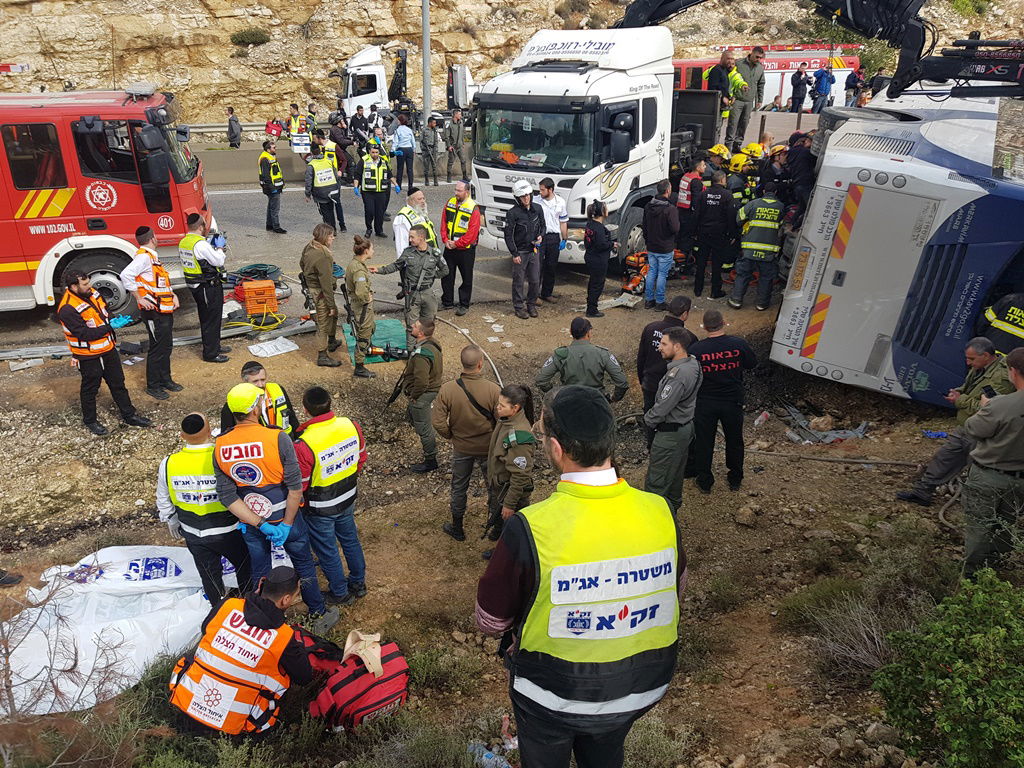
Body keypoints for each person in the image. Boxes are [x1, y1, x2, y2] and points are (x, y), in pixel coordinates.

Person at [475, 385, 683, 768]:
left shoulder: (530, 526)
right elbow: (673, 590)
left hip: (552, 694)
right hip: (639, 688)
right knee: (605, 751)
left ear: (556, 448)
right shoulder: (661, 511)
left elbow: (491, 621)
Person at [215, 383, 337, 632]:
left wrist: (260, 524)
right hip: (286, 517)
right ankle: (318, 612)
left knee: (260, 569)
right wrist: (287, 524)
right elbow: (295, 488)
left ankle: (262, 620)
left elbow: (227, 496)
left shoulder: (221, 445)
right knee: (303, 563)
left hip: (252, 521)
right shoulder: (277, 437)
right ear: (255, 408)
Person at [168, 566, 315, 736]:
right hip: (235, 724)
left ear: (262, 585)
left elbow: (205, 629)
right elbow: (304, 677)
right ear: (285, 600)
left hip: (187, 701)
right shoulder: (283, 637)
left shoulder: (228, 605)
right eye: (296, 595)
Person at [897, 337, 1014, 506]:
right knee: (944, 457)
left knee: (977, 471)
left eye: (971, 359)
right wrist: (957, 392)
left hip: (982, 433)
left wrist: (960, 400)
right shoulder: (980, 368)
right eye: (967, 358)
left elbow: (989, 409)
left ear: (986, 356)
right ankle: (922, 492)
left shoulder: (1001, 378)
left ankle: (979, 508)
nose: (968, 363)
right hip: (965, 426)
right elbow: (969, 387)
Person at [157, 412, 252, 603]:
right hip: (230, 531)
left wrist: (171, 520)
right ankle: (247, 603)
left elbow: (163, 498)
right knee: (244, 567)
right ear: (210, 432)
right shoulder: (223, 457)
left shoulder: (168, 463)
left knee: (209, 576)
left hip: (193, 533)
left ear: (182, 436)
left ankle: (218, 609)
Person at [294, 386, 368, 606]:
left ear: (306, 410)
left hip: (320, 507)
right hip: (347, 496)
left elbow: (301, 484)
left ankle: (340, 592)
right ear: (329, 404)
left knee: (327, 550)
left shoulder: (303, 443)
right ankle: (358, 583)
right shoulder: (350, 425)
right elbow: (361, 457)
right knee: (350, 540)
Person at [57, 270, 151, 435]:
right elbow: (84, 334)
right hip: (89, 356)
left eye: (88, 282)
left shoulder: (92, 292)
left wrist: (114, 319)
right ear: (73, 286)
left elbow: (104, 310)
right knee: (90, 389)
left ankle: (129, 415)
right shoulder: (67, 308)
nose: (89, 286)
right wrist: (110, 327)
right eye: (85, 284)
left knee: (118, 384)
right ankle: (90, 421)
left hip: (108, 349)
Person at [960, 347, 1024, 577]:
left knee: (979, 529)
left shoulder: (1001, 404)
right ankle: (995, 575)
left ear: (1013, 371)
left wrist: (986, 408)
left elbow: (973, 429)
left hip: (989, 476)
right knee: (1005, 527)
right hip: (1020, 481)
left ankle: (971, 580)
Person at [433, 344, 502, 542]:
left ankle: (457, 527)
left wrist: (451, 436)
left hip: (462, 447)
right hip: (488, 447)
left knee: (459, 487)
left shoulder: (448, 389)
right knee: (494, 486)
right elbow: (502, 422)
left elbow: (437, 422)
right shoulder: (494, 390)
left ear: (462, 363)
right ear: (480, 364)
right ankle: (496, 528)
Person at [688, 310, 757, 493]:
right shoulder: (738, 344)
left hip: (705, 403)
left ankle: (705, 482)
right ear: (724, 322)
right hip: (732, 401)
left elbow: (691, 375)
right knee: (734, 440)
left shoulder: (696, 350)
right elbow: (751, 363)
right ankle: (735, 479)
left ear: (704, 327)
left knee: (704, 442)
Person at [644, 327, 702, 514]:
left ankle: (655, 520)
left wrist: (647, 420)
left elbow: (662, 408)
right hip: (684, 428)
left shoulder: (677, 375)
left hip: (669, 434)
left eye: (664, 344)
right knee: (675, 474)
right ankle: (672, 512)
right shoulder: (693, 364)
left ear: (677, 347)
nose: (659, 347)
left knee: (657, 481)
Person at [120, 226, 179, 400]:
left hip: (164, 310)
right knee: (157, 348)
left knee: (166, 346)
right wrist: (139, 298)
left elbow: (159, 283)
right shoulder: (144, 257)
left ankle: (166, 380)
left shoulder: (152, 258)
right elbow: (125, 275)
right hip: (153, 313)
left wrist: (173, 295)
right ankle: (153, 386)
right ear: (153, 238)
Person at [482, 384, 536, 558]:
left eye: (502, 405)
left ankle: (503, 553)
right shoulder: (506, 419)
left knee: (512, 529)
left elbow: (521, 475)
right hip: (500, 487)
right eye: (498, 403)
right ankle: (498, 529)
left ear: (515, 408)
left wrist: (509, 505)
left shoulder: (518, 437)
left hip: (510, 493)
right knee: (499, 516)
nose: (497, 408)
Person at [372, 224, 448, 345]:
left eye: (412, 237)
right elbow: (396, 265)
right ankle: (411, 351)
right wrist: (380, 270)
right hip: (412, 295)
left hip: (428, 293)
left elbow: (445, 270)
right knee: (411, 326)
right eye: (409, 237)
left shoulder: (435, 253)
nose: (410, 239)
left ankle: (425, 348)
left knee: (428, 325)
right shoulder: (408, 252)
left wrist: (432, 275)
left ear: (421, 237)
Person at [637, 296, 697, 443]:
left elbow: (641, 357)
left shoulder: (650, 328)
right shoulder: (689, 338)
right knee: (671, 421)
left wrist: (642, 380)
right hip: (674, 388)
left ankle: (651, 446)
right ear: (685, 314)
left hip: (650, 383)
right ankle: (668, 447)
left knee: (650, 416)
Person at [536, 316, 629, 401]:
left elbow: (541, 380)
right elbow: (622, 382)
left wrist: (555, 394)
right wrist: (613, 398)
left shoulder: (561, 354)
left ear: (571, 332)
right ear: (588, 333)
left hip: (568, 402)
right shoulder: (602, 354)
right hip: (596, 402)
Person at [179, 213, 229, 364]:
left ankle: (215, 346)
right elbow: (218, 261)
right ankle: (211, 354)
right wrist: (219, 248)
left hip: (197, 286)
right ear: (201, 227)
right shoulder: (200, 245)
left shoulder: (184, 242)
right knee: (211, 319)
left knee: (209, 317)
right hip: (208, 286)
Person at [729, 181, 786, 311]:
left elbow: (739, 218)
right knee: (766, 277)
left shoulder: (753, 203)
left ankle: (736, 300)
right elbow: (781, 225)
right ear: (775, 192)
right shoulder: (781, 207)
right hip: (768, 251)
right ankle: (762, 304)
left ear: (764, 191)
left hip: (750, 248)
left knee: (743, 274)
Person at [400, 318, 444, 473]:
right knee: (416, 416)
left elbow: (422, 382)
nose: (412, 325)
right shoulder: (432, 344)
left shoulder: (421, 354)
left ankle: (431, 460)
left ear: (421, 333)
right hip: (430, 389)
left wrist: (414, 396)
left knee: (424, 429)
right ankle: (413, 420)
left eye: (416, 326)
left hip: (423, 394)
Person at [300, 223, 342, 368]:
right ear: (324, 237)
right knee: (323, 323)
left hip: (312, 289)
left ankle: (332, 341)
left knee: (334, 316)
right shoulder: (324, 255)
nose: (333, 238)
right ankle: (322, 356)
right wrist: (331, 305)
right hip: (320, 293)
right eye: (331, 236)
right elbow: (326, 284)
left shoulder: (310, 246)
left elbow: (301, 263)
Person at [220, 361, 298, 437]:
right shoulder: (235, 403)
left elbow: (292, 417)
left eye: (263, 380)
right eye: (255, 381)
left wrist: (299, 438)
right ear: (245, 383)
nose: (260, 385)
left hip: (285, 439)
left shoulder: (278, 390)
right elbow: (226, 435)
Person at [504, 179, 545, 320]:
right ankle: (519, 307)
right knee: (518, 281)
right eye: (522, 196)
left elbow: (543, 226)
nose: (526, 198)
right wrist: (514, 253)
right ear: (517, 198)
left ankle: (531, 304)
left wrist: (541, 236)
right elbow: (508, 235)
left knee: (535, 280)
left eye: (528, 195)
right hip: (520, 252)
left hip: (534, 250)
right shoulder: (512, 213)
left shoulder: (538, 209)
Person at [441, 180, 482, 316]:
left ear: (467, 192)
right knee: (446, 275)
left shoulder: (473, 208)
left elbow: (472, 233)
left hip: (466, 250)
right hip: (449, 247)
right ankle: (447, 302)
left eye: (459, 191)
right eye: (455, 190)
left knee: (466, 278)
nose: (456, 193)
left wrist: (457, 244)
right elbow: (444, 223)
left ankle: (464, 304)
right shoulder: (450, 202)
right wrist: (445, 240)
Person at [694, 171, 733, 299]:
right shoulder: (727, 195)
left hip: (703, 232)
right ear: (722, 180)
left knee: (701, 261)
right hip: (719, 234)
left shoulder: (703, 194)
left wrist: (694, 232)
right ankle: (715, 291)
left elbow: (696, 214)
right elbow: (730, 216)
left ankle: (698, 289)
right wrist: (732, 234)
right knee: (717, 263)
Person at [642, 179, 679, 311]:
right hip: (665, 247)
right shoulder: (670, 209)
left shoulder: (648, 206)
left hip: (652, 246)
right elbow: (675, 228)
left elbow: (644, 226)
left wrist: (648, 240)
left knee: (652, 272)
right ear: (668, 191)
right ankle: (660, 302)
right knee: (662, 274)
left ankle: (649, 300)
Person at [533, 178, 569, 304]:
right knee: (537, 267)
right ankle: (534, 295)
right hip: (540, 237)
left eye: (543, 190)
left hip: (553, 237)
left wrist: (564, 238)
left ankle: (547, 293)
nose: (540, 192)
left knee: (551, 266)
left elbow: (563, 222)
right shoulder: (535, 201)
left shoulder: (560, 202)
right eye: (540, 189)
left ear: (551, 189)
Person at [347, 235, 377, 379]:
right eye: (372, 249)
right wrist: (367, 298)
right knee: (363, 336)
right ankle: (359, 366)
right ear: (365, 251)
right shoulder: (359, 270)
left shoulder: (355, 263)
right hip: (362, 307)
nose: (373, 251)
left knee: (369, 328)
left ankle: (366, 349)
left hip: (359, 306)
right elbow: (360, 292)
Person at [726, 46, 765, 153]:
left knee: (744, 123)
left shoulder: (760, 68)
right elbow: (730, 78)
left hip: (749, 101)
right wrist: (730, 95)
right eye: (757, 57)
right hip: (737, 99)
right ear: (751, 53)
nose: (758, 59)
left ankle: (737, 145)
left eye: (760, 58)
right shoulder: (739, 64)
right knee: (733, 123)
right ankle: (728, 146)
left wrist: (760, 100)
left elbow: (761, 84)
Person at [305, 142, 347, 233]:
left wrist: (308, 195)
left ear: (311, 152)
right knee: (331, 210)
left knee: (325, 213)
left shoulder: (311, 165)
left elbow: (308, 181)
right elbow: (335, 175)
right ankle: (333, 229)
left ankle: (330, 231)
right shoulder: (328, 161)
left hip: (320, 193)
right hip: (332, 191)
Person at [583, 201, 614, 318]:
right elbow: (601, 245)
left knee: (593, 282)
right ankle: (592, 309)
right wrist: (612, 244)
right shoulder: (599, 228)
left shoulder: (590, 224)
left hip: (590, 257)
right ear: (602, 212)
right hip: (598, 260)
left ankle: (590, 304)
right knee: (597, 284)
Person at [355, 144, 393, 238]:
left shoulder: (383, 161)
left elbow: (389, 175)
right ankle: (369, 229)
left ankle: (379, 230)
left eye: (376, 152)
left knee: (380, 212)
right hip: (368, 191)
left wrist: (396, 185)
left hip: (381, 191)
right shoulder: (364, 160)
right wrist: (356, 187)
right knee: (369, 211)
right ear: (369, 152)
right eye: (373, 152)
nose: (375, 154)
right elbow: (357, 175)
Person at [394, 186, 438, 257]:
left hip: (429, 258)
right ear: (410, 201)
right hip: (417, 260)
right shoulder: (402, 218)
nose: (423, 201)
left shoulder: (420, 212)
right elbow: (401, 246)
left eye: (423, 198)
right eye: (419, 199)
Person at [676, 157, 705, 258]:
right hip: (689, 214)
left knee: (682, 236)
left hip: (681, 210)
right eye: (703, 165)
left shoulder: (686, 176)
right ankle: (685, 259)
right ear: (697, 168)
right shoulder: (696, 181)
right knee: (687, 238)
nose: (705, 167)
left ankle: (680, 255)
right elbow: (696, 201)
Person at [259, 140, 286, 234]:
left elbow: (276, 172)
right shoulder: (265, 159)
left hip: (275, 186)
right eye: (274, 148)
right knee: (275, 208)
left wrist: (282, 182)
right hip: (272, 187)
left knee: (271, 206)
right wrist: (272, 188)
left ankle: (269, 225)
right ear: (268, 149)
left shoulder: (270, 157)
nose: (275, 149)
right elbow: (266, 176)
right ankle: (276, 227)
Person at [705, 51, 737, 120]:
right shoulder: (716, 70)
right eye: (728, 59)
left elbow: (723, 88)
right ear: (722, 58)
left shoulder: (725, 70)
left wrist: (729, 97)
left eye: (732, 59)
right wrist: (722, 98)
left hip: (721, 105)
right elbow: (712, 88)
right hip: (714, 105)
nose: (730, 61)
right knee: (715, 125)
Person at [391, 113, 417, 188]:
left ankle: (399, 185)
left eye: (398, 120)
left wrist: (392, 151)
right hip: (409, 149)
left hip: (401, 149)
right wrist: (414, 149)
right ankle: (410, 186)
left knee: (400, 168)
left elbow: (395, 142)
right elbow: (413, 140)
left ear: (400, 121)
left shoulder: (397, 130)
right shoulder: (409, 130)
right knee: (410, 169)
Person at [444, 109, 469, 182]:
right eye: (459, 114)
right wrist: (449, 146)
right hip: (453, 146)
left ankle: (465, 176)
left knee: (463, 161)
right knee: (451, 162)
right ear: (455, 115)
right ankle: (449, 176)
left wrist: (463, 143)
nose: (461, 116)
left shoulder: (461, 122)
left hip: (460, 146)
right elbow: (446, 136)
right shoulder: (449, 124)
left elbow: (462, 133)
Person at [419, 115, 442, 186]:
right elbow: (421, 141)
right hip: (426, 150)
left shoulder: (435, 130)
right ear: (430, 123)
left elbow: (436, 141)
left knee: (434, 166)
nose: (435, 124)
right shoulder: (424, 130)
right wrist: (424, 149)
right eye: (434, 123)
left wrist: (435, 149)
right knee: (426, 167)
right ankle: (426, 180)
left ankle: (435, 180)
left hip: (433, 150)